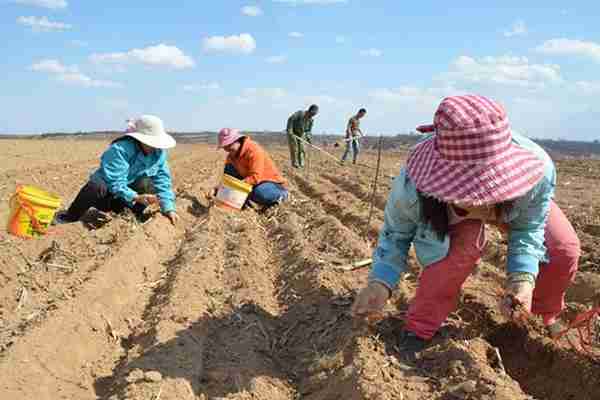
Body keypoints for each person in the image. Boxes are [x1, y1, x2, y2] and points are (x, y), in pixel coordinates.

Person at [352, 95, 580, 357]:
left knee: (563, 249)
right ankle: (420, 326)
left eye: (487, 188)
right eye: (469, 191)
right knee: (457, 251)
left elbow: (529, 229)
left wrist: (522, 280)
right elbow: (395, 235)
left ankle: (538, 317)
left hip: (517, 200)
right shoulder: (411, 188)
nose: (479, 199)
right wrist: (381, 282)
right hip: (447, 210)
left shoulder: (537, 173)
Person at [55, 115, 179, 225]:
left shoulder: (158, 154)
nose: (155, 146)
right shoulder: (120, 149)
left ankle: (133, 213)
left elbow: (163, 180)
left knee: (148, 184)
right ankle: (70, 216)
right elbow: (115, 182)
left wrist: (169, 208)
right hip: (106, 193)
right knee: (95, 186)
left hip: (125, 195)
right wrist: (135, 197)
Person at [217, 128, 288, 207]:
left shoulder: (253, 150)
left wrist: (237, 188)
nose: (227, 149)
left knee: (259, 193)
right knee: (229, 169)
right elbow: (227, 179)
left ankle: (281, 194)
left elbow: (256, 177)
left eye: (229, 145)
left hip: (268, 182)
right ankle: (245, 197)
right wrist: (218, 190)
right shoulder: (231, 156)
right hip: (250, 182)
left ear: (237, 140)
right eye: (225, 147)